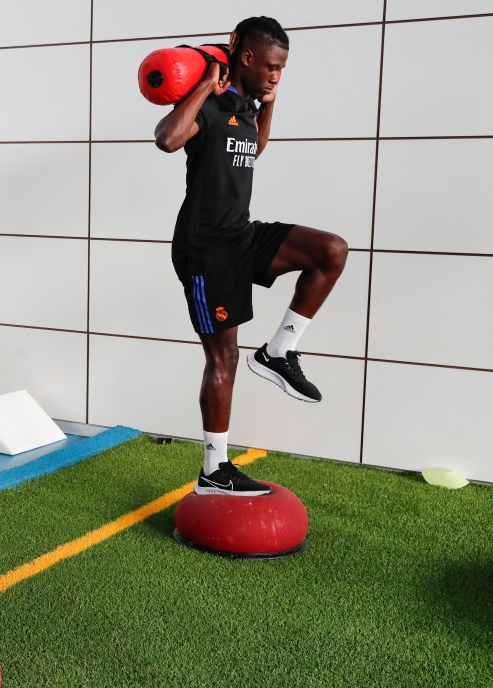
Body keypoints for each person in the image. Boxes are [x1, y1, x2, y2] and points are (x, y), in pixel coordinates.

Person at [155, 17, 347, 497]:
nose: (277, 75)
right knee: (224, 358)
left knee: (331, 250)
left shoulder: (244, 106)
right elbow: (167, 137)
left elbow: (253, 148)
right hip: (205, 250)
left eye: (282, 69)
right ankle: (214, 471)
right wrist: (202, 88)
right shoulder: (211, 103)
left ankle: (280, 350)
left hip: (241, 235)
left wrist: (268, 107)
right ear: (246, 58)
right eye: (272, 67)